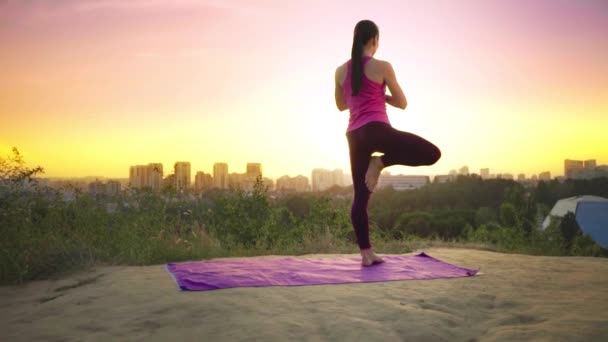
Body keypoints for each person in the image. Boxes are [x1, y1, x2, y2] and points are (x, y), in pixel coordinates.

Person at [334, 20, 442, 266]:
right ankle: (381, 161)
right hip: (377, 130)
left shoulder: (340, 71)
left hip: (354, 135)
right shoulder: (382, 66)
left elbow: (341, 105)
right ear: (374, 40)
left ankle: (366, 254)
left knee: (360, 197)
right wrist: (382, 95)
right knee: (432, 153)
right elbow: (403, 102)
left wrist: (358, 97)